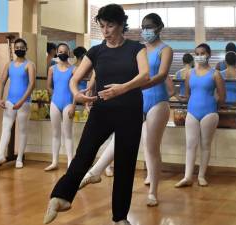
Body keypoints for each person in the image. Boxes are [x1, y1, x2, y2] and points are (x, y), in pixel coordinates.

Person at [43, 4, 149, 225]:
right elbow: (74, 79)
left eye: (110, 25)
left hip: (130, 111)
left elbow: (145, 75)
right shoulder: (96, 51)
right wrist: (76, 94)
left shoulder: (136, 48)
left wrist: (123, 88)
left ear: (121, 25)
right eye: (102, 26)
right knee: (84, 154)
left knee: (125, 164)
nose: (106, 31)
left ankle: (120, 217)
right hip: (102, 110)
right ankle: (62, 197)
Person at [78, 12, 173, 208]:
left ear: (159, 28)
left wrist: (134, 86)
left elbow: (162, 75)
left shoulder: (165, 50)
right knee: (116, 141)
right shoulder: (137, 49)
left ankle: (153, 191)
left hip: (157, 100)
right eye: (143, 27)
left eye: (150, 27)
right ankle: (95, 172)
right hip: (133, 100)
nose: (146, 31)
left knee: (151, 147)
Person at [175, 43, 225, 188]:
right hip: (192, 111)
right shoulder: (190, 73)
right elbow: (188, 94)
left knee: (205, 145)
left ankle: (201, 176)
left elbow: (222, 96)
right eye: (197, 54)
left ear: (209, 54)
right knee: (190, 145)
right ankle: (187, 177)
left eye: (202, 53)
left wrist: (213, 106)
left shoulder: (215, 74)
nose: (199, 56)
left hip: (209, 112)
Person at [0, 38, 36, 172]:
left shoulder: (30, 65)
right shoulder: (9, 65)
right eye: (17, 47)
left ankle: (19, 158)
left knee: (22, 130)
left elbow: (31, 84)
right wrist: (0, 99)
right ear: (14, 49)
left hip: (24, 102)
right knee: (6, 128)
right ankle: (0, 156)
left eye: (22, 47)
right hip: (10, 101)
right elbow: (1, 82)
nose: (19, 49)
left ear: (26, 49)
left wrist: (22, 101)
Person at [45, 43, 76, 171]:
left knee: (68, 134)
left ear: (68, 53)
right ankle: (54, 162)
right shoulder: (52, 68)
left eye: (65, 51)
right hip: (55, 103)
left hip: (68, 103)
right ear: (57, 53)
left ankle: (70, 162)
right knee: (55, 134)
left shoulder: (74, 69)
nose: (62, 53)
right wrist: (54, 96)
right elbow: (48, 86)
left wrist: (74, 105)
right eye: (60, 51)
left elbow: (76, 90)